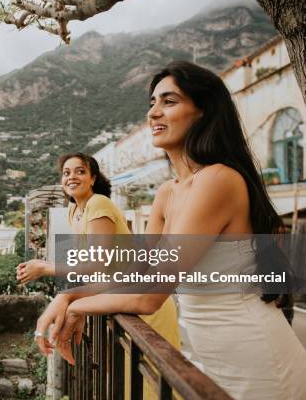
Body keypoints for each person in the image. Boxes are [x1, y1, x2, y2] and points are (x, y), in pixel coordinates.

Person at [36, 61, 306, 399]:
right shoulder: (167, 193)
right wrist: (68, 294)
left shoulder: (218, 180)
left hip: (257, 360)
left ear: (203, 112)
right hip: (205, 359)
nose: (154, 113)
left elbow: (148, 296)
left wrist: (76, 307)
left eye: (169, 101)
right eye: (152, 103)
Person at [17, 152, 179, 399]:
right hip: (117, 297)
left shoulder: (98, 204)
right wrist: (76, 300)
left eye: (80, 171)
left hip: (143, 303)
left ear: (93, 178)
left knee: (153, 387)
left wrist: (45, 268)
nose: (72, 176)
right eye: (66, 172)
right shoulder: (75, 211)